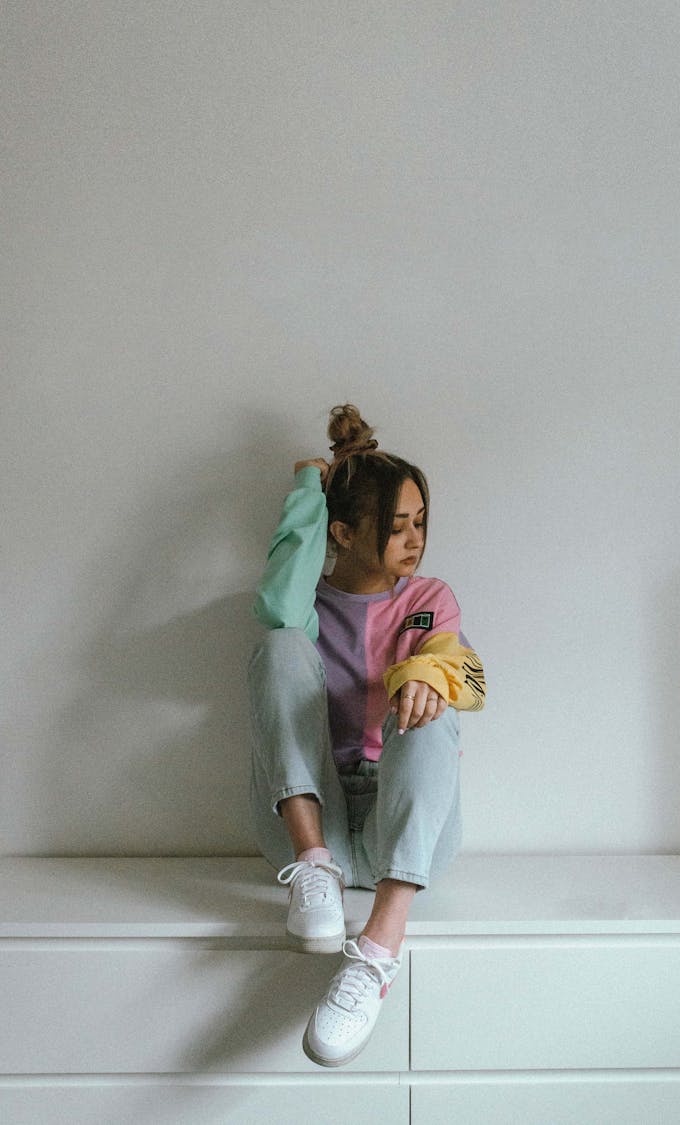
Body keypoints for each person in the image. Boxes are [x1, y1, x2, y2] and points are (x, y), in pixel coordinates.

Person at [248, 404, 485, 1067]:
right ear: (346, 532)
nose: (415, 539)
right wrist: (306, 491)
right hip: (307, 825)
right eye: (398, 526)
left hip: (399, 831)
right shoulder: (309, 605)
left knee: (435, 689)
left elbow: (466, 670)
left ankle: (378, 952)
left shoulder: (428, 594)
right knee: (278, 647)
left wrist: (421, 675)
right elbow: (275, 609)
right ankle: (315, 867)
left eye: (421, 523)